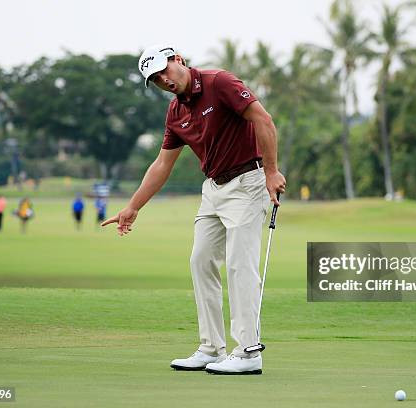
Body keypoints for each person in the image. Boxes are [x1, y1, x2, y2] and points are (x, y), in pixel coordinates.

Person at [102, 45, 286, 375]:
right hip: (213, 189)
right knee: (200, 260)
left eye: (164, 70)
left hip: (248, 182)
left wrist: (271, 171)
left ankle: (248, 352)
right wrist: (133, 208)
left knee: (239, 265)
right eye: (155, 79)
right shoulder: (175, 113)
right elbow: (161, 164)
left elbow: (263, 120)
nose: (163, 80)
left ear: (178, 60)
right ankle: (212, 347)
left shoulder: (220, 83)